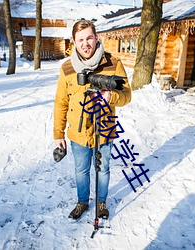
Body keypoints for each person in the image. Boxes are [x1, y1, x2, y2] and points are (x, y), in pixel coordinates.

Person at [53, 20, 131, 220]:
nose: (85, 43)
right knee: (81, 170)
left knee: (103, 168)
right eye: (81, 40)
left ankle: (102, 202)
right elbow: (61, 102)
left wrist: (111, 97)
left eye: (89, 38)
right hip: (78, 132)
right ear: (74, 42)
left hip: (104, 129)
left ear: (96, 38)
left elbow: (127, 95)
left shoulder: (113, 63)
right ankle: (82, 202)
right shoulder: (67, 68)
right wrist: (58, 134)